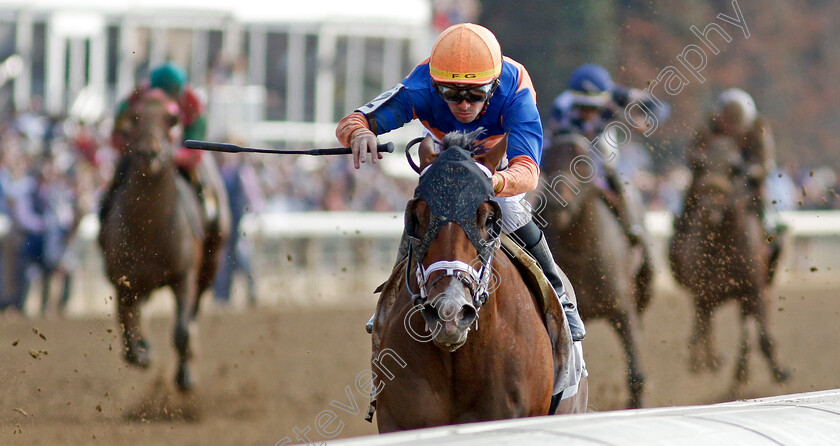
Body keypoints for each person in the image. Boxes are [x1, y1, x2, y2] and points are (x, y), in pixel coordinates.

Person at [336, 23, 585, 341]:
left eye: (475, 94)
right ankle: (392, 298)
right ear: (436, 87)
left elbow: (528, 172)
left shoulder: (515, 91)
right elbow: (352, 121)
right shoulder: (420, 87)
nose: (464, 104)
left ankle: (560, 297)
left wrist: (493, 182)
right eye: (452, 95)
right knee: (426, 205)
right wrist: (360, 133)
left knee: (511, 211)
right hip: (447, 155)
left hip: (495, 160)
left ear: (494, 87)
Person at [546, 63, 670, 245]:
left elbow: (661, 107)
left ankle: (634, 229)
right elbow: (552, 144)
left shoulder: (617, 94)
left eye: (593, 107)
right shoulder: (561, 106)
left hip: (600, 146)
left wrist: (647, 121)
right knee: (539, 184)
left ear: (605, 99)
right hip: (569, 154)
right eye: (582, 107)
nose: (587, 112)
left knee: (625, 185)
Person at [99, 62, 213, 222]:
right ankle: (105, 213)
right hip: (141, 150)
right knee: (119, 172)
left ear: (178, 91)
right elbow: (117, 137)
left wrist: (173, 155)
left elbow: (196, 152)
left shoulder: (193, 104)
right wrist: (135, 148)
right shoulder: (135, 98)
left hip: (179, 151)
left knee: (202, 175)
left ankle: (210, 215)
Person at [681, 88, 786, 257]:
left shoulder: (759, 128)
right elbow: (692, 152)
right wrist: (704, 162)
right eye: (727, 122)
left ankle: (768, 231)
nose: (730, 128)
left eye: (734, 124)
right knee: (693, 188)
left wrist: (750, 171)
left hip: (744, 178)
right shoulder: (709, 125)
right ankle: (682, 225)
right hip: (713, 175)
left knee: (761, 193)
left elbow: (766, 163)